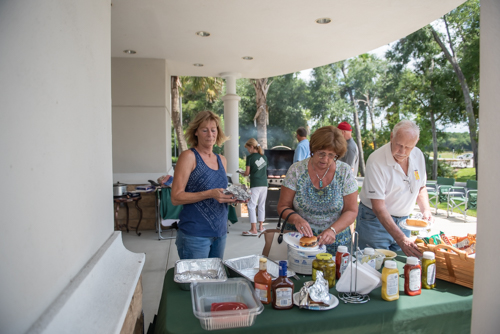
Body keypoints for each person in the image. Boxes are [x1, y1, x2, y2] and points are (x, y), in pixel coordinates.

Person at [356, 120, 434, 258]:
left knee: (400, 264)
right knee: (372, 266)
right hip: (375, 222)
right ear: (392, 137)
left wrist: (426, 210)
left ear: (416, 142)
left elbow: (421, 187)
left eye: (408, 147)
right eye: (399, 145)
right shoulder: (376, 160)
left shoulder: (418, 155)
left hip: (404, 223)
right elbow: (378, 207)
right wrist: (401, 239)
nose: (402, 152)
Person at [277, 126, 358, 255]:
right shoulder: (296, 170)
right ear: (313, 149)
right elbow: (283, 206)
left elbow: (352, 210)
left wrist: (333, 230)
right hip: (300, 243)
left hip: (338, 244)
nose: (325, 159)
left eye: (331, 155)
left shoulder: (345, 172)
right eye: (321, 153)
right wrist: (296, 219)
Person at [171, 110, 237, 260]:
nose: (210, 134)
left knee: (214, 281)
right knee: (196, 283)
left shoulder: (222, 160)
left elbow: (220, 193)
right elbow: (176, 197)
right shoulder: (189, 157)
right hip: (194, 235)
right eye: (204, 130)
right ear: (196, 132)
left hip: (220, 234)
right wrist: (209, 193)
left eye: (213, 130)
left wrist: (234, 198)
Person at [240, 138, 268, 236]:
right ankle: (261, 227)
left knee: (251, 206)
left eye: (248, 148)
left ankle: (253, 229)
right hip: (264, 184)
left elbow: (247, 173)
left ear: (252, 147)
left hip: (255, 184)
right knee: (261, 205)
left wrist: (242, 173)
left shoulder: (250, 157)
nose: (248, 150)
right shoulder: (264, 157)